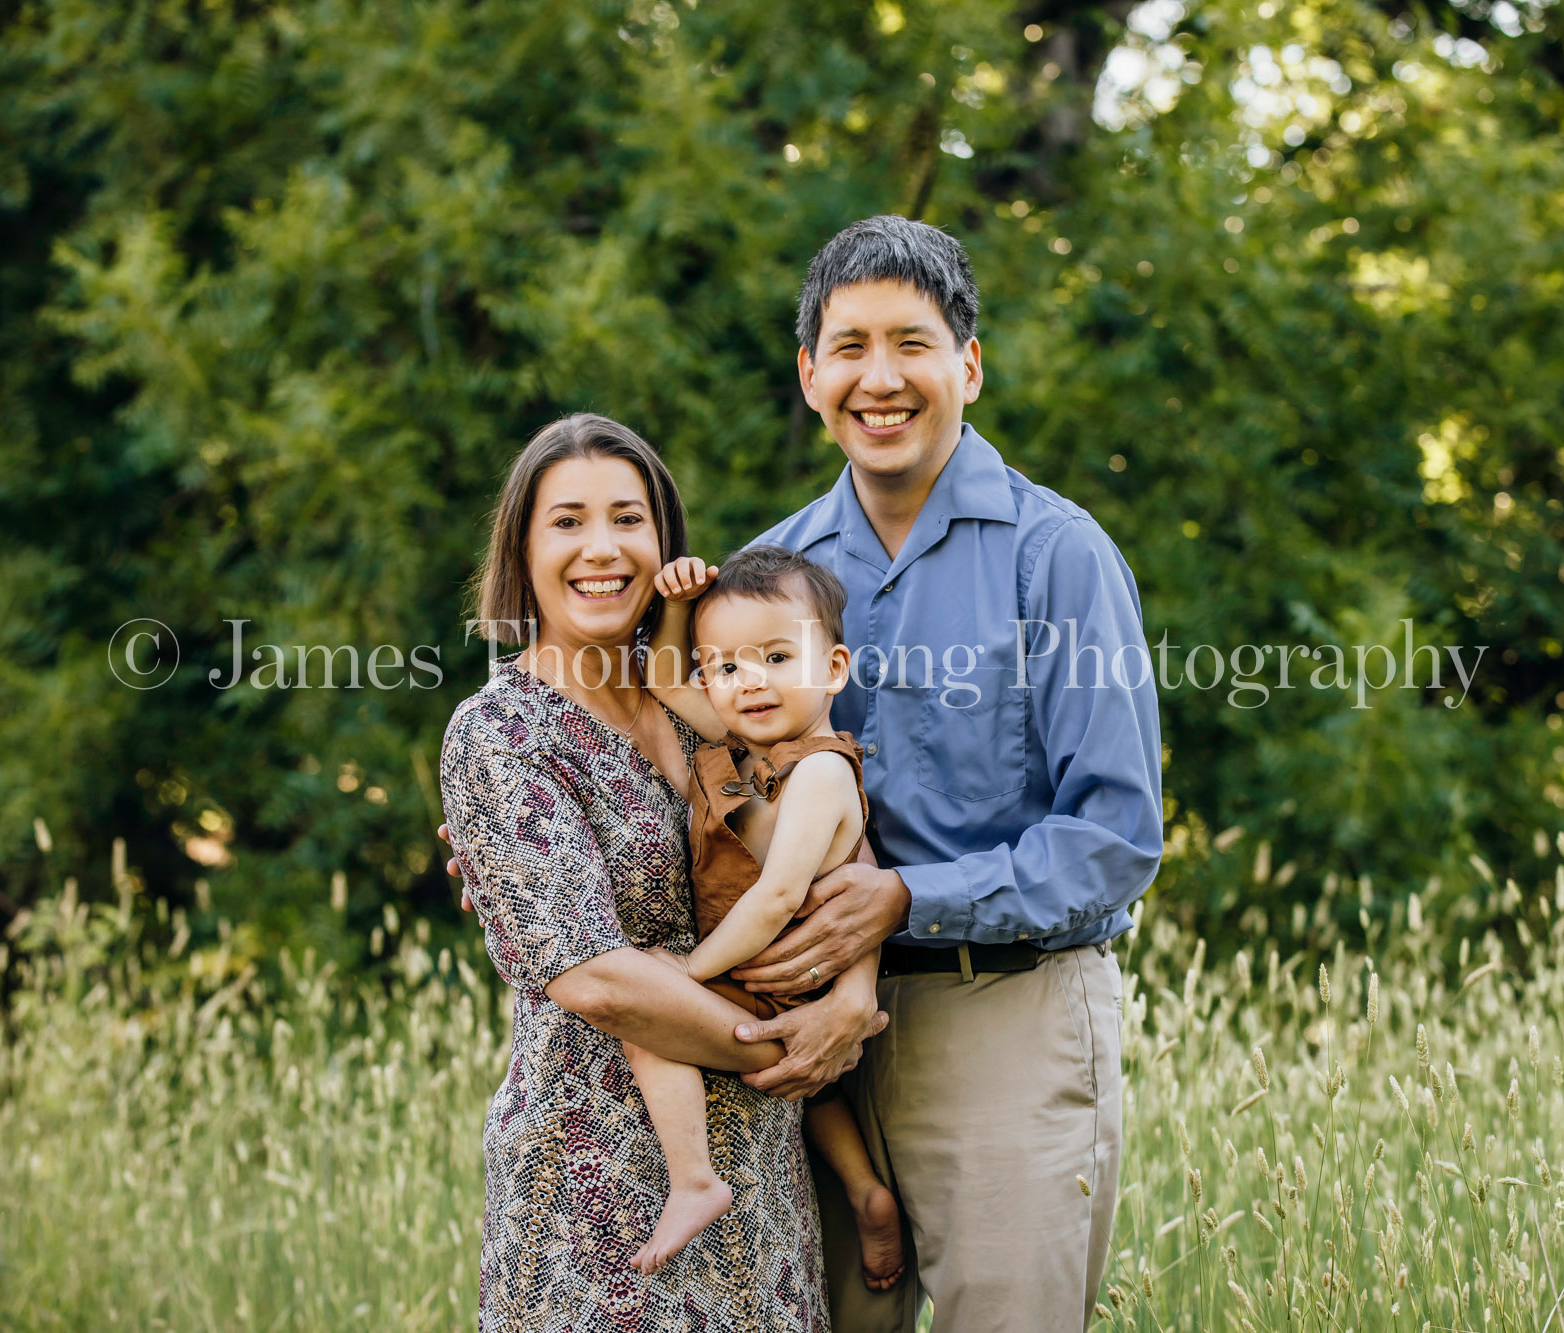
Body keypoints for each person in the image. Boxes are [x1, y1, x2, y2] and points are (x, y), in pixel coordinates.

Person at [729, 214, 1165, 1332]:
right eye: (849, 346)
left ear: (967, 364)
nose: (880, 378)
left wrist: (907, 898)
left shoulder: (1055, 554)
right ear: (808, 375)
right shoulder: (765, 582)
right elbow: (684, 776)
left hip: (1002, 1013)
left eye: (911, 343)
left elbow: (1113, 838)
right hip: (805, 1050)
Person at [435, 413, 882, 1332]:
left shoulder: (710, 698)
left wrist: (851, 994)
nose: (600, 547)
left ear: (664, 543)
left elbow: (829, 843)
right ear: (521, 544)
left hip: (760, 1173)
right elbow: (594, 975)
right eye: (566, 521)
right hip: (599, 1184)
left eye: (627, 518)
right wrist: (797, 1049)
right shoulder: (498, 734)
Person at [617, 544, 904, 1285]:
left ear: (833, 668)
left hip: (774, 967)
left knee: (646, 1013)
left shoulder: (819, 772)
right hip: (771, 975)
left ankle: (694, 1179)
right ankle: (867, 1192)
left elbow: (778, 897)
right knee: (819, 1097)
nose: (751, 682)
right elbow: (661, 674)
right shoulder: (736, 745)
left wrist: (690, 972)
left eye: (777, 657)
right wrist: (677, 604)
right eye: (729, 667)